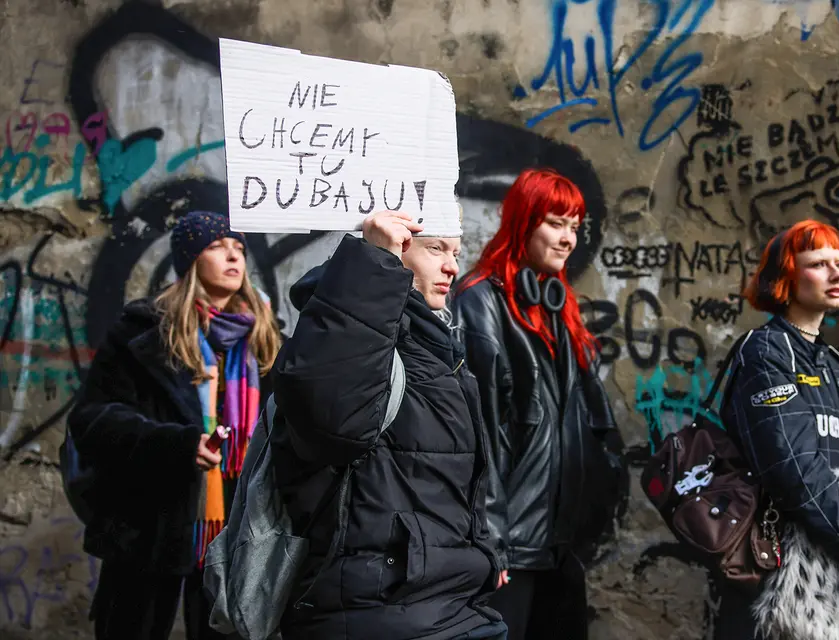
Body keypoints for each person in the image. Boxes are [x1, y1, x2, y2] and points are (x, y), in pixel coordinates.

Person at [272, 210, 508, 640]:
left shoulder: (437, 349)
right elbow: (335, 424)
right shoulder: (340, 337)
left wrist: (487, 551)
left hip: (448, 605)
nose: (452, 265)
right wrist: (372, 262)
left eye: (455, 251)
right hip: (379, 611)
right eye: (435, 248)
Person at [68, 210, 281, 640]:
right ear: (189, 260)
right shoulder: (143, 333)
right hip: (152, 521)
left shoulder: (266, 341)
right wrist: (178, 445)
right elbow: (92, 420)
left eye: (238, 248)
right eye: (217, 246)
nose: (233, 256)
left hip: (236, 527)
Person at [451, 168, 624, 640]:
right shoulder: (480, 305)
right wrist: (491, 543)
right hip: (511, 547)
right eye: (555, 223)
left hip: (557, 545)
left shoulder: (555, 308)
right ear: (523, 222)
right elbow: (478, 433)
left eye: (574, 226)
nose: (568, 239)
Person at [714, 219, 839, 639]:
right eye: (818, 263)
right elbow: (796, 473)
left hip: (836, 567)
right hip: (779, 566)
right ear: (786, 275)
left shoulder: (831, 361)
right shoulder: (765, 352)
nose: (837, 273)